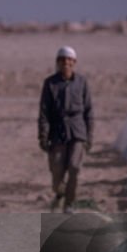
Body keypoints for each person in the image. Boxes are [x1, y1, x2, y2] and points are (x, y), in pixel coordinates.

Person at [38, 45, 94, 214]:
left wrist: (89, 136)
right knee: (57, 172)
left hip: (77, 132)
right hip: (57, 132)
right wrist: (43, 135)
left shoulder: (82, 83)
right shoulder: (50, 84)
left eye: (69, 60)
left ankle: (70, 203)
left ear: (74, 63)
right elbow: (44, 111)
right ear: (57, 62)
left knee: (74, 168)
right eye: (62, 60)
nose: (66, 63)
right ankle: (60, 193)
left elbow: (89, 111)